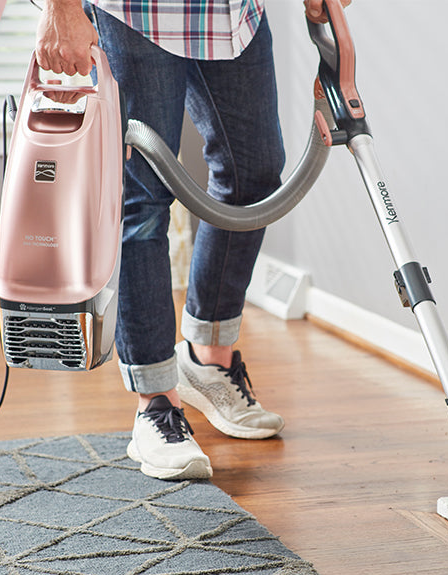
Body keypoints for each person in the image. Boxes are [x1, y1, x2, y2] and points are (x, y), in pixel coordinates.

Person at [34, 0, 348, 480]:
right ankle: (156, 401)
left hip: (233, 13)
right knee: (142, 196)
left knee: (254, 176)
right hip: (137, 13)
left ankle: (208, 357)